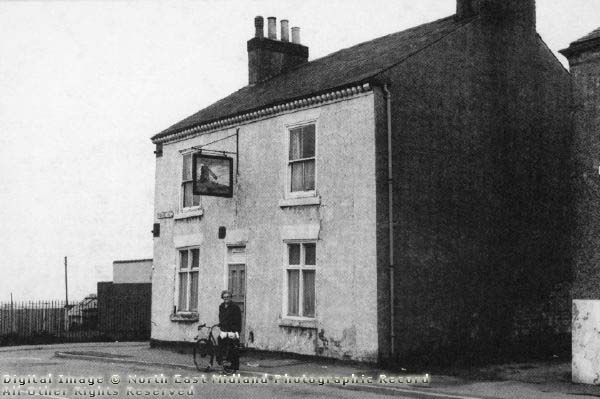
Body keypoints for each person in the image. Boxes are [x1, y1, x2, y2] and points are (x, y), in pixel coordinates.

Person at [218, 290, 241, 372]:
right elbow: (221, 317)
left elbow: (238, 320)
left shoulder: (235, 307)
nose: (226, 299)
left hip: (232, 330)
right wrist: (221, 324)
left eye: (227, 297)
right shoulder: (221, 306)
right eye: (224, 297)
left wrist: (236, 331)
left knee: (232, 348)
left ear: (230, 298)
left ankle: (233, 366)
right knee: (221, 345)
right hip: (224, 329)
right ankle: (223, 364)